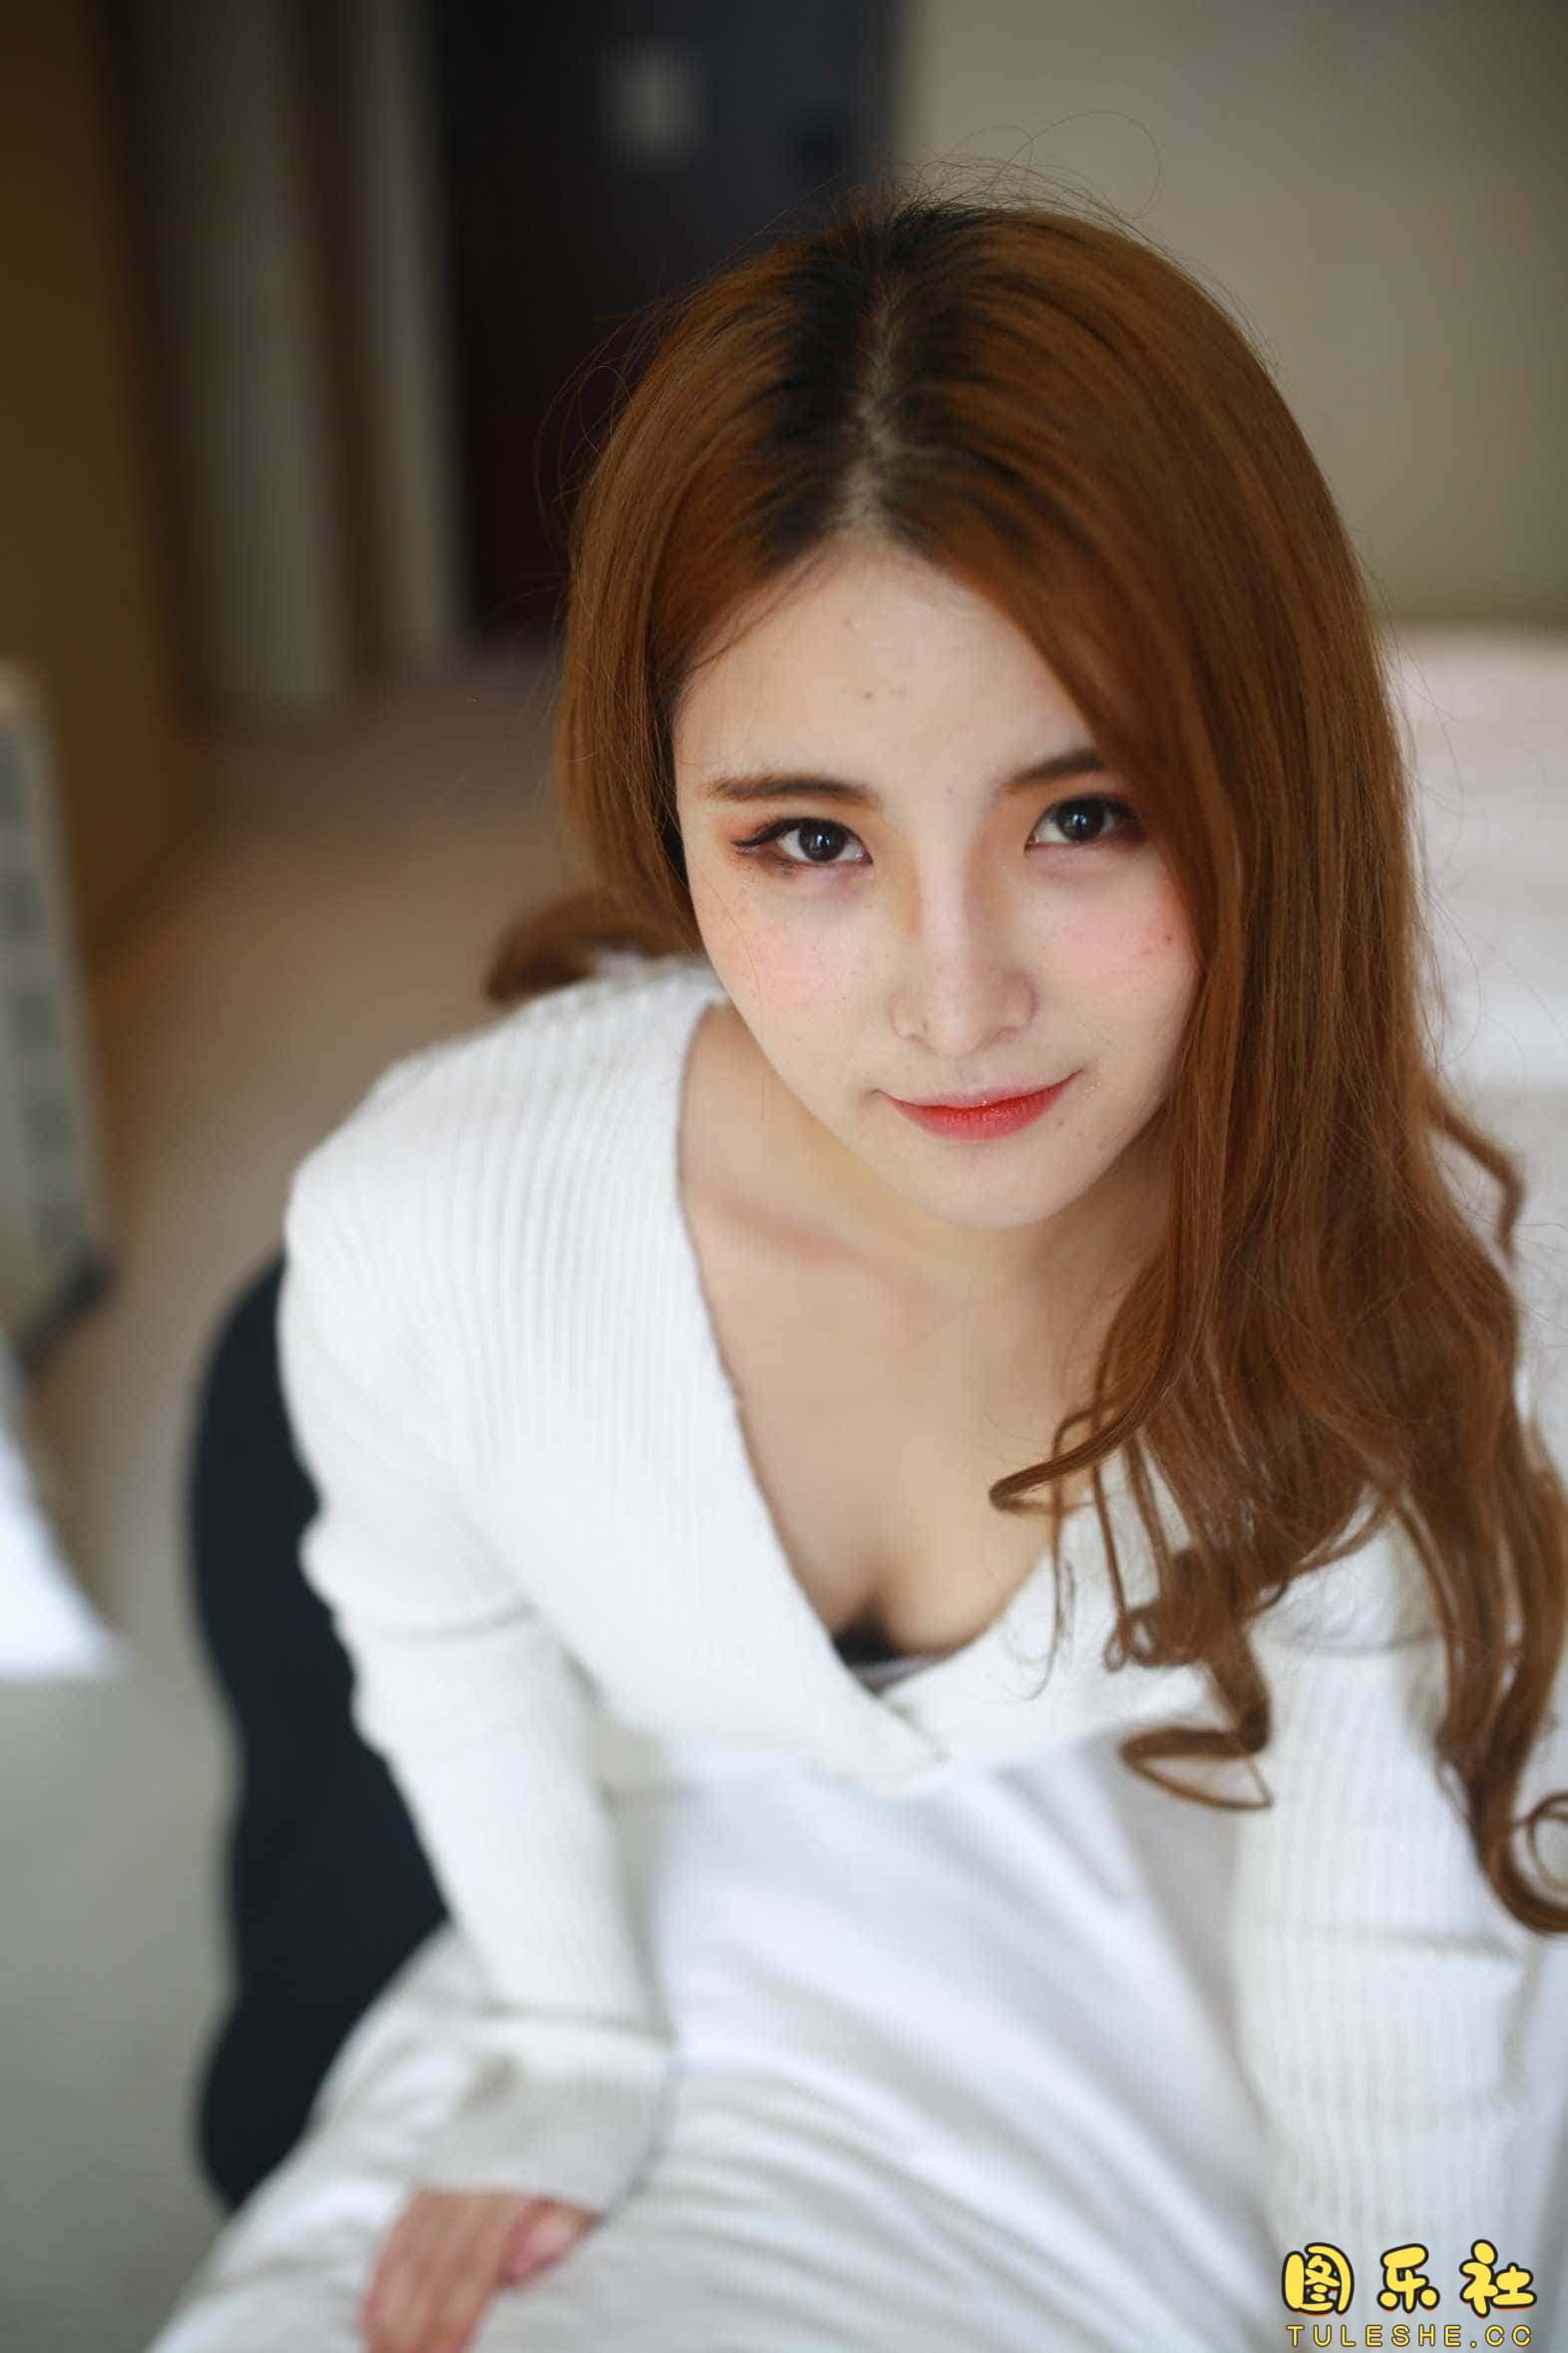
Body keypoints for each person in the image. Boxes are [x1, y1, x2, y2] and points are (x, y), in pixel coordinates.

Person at [261, 170, 1568, 2353]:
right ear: (665, 816)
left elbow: (1399, 1994)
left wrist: (1413, 2327)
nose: (959, 1006)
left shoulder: (1370, 1325)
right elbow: (434, 1627)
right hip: (396, 1431)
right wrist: (570, 2034)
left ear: (1272, 797)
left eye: (1085, 816)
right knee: (279, 2035)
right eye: (811, 838)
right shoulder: (416, 1233)